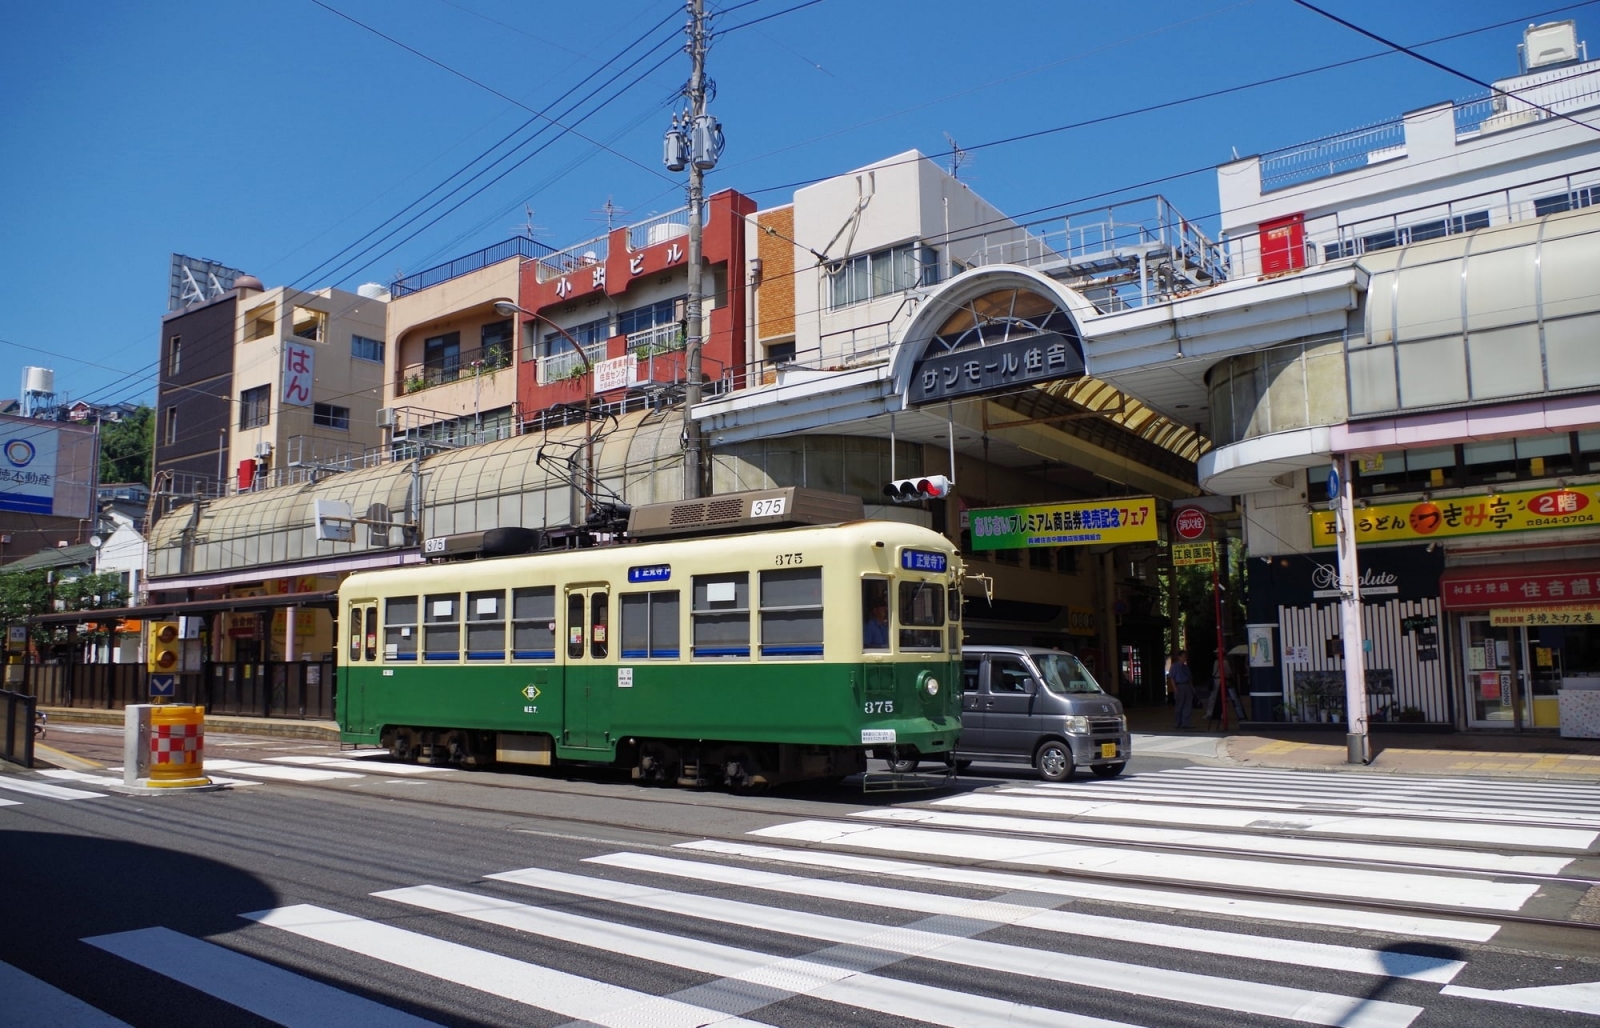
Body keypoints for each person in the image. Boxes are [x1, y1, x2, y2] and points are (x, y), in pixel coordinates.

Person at [1167, 649, 1195, 729]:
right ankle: (1177, 723)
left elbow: (1189, 678)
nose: (1185, 658)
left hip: (1187, 686)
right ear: (1179, 657)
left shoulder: (1186, 667)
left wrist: (1192, 688)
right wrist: (1175, 688)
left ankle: (1186, 723)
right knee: (1179, 705)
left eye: (1185, 657)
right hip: (1179, 686)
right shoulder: (1175, 666)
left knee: (1188, 705)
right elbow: (1172, 678)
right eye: (1183, 657)